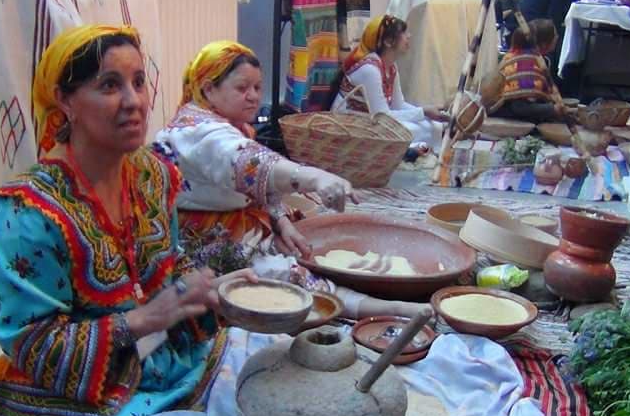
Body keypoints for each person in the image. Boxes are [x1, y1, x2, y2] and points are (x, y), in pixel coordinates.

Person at [0, 25, 257, 416]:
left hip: (161, 355)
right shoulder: (29, 211)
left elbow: (169, 262)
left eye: (139, 82)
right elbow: (30, 341)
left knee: (261, 376)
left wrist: (210, 291)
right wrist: (142, 321)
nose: (135, 101)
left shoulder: (152, 174)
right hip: (71, 390)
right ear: (65, 101)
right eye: (109, 85)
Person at [154, 41, 430, 320]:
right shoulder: (196, 134)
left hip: (234, 223)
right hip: (199, 243)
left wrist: (280, 221)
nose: (253, 96)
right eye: (241, 88)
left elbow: (255, 185)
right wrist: (313, 177)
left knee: (300, 244)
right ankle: (379, 308)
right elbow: (249, 163)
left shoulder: (226, 124)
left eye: (257, 88)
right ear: (208, 89)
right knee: (283, 276)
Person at [330, 14, 448, 154]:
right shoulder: (370, 70)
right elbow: (383, 118)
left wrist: (428, 114)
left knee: (431, 126)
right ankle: (415, 149)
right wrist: (423, 112)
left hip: (375, 120)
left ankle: (428, 143)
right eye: (403, 33)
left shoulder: (391, 67)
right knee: (410, 130)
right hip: (351, 125)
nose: (408, 36)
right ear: (388, 41)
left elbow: (398, 105)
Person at [489, 18, 568, 124]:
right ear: (544, 44)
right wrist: (551, 109)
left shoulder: (527, 56)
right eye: (555, 35)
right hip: (508, 119)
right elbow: (519, 108)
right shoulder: (526, 63)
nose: (557, 37)